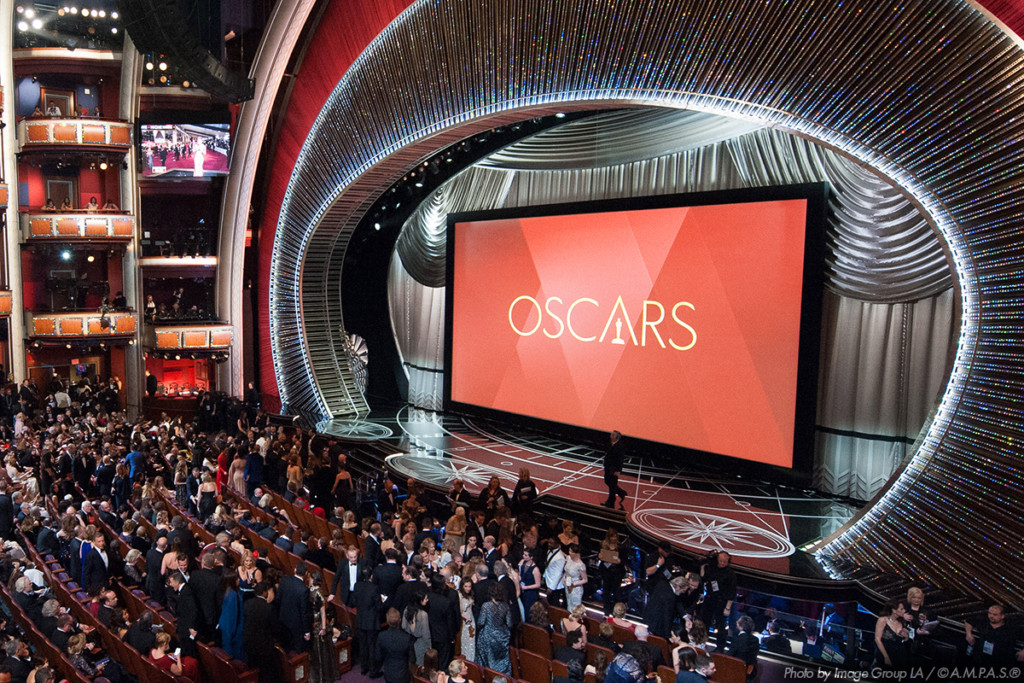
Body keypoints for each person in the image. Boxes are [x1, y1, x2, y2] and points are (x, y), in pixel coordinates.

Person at [699, 550, 736, 650]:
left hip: (721, 602)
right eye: (721, 560)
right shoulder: (712, 567)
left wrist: (727, 608)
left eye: (725, 561)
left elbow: (732, 593)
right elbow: (704, 578)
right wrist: (702, 566)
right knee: (705, 622)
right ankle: (701, 642)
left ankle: (720, 647)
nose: (722, 563)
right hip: (710, 599)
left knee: (721, 626)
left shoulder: (730, 574)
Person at [245, 581, 280, 682]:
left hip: (249, 646)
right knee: (266, 674)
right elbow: (276, 629)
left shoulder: (247, 604)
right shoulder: (269, 608)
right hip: (265, 649)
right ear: (265, 593)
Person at [309, 571, 340, 683]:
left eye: (311, 578)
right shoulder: (309, 590)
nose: (309, 579)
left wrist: (323, 628)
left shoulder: (319, 593)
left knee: (321, 652)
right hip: (312, 621)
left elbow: (322, 612)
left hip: (318, 624)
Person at [477, 583, 513, 674]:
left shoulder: (486, 606)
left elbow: (481, 622)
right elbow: (509, 624)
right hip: (502, 637)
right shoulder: (505, 606)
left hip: (488, 637)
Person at [353, 567, 384, 676]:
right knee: (372, 646)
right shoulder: (374, 588)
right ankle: (373, 670)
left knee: (363, 645)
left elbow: (353, 601)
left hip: (360, 620)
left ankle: (363, 668)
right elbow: (379, 606)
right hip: (371, 622)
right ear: (371, 576)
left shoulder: (357, 586)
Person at [279, 561, 313, 652]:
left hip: (283, 620)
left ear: (295, 570)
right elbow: (304, 612)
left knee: (286, 648)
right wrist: (307, 631)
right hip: (296, 626)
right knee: (298, 651)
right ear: (306, 573)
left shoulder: (284, 580)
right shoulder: (304, 589)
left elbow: (279, 599)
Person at [377, 608, 414, 683]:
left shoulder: (382, 636)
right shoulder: (406, 638)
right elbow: (412, 658)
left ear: (387, 621)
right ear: (400, 620)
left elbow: (378, 656)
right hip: (403, 674)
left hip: (388, 673)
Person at [874, 600, 910, 669]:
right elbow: (877, 639)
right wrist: (886, 657)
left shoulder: (902, 623)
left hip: (900, 654)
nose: (904, 611)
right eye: (901, 609)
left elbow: (904, 641)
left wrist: (906, 637)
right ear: (894, 610)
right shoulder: (883, 620)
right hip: (885, 652)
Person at [219, 573, 245, 662]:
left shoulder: (228, 592)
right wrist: (231, 636)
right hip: (234, 634)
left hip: (232, 631)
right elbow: (231, 618)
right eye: (237, 579)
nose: (239, 580)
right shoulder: (232, 595)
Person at [404, 587, 432, 665]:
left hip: (409, 641)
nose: (427, 600)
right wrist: (429, 647)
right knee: (420, 664)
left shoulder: (407, 609)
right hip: (420, 643)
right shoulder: (423, 614)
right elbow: (426, 633)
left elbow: (403, 626)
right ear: (420, 601)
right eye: (425, 599)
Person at [603, 430, 628, 508]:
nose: (611, 436)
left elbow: (620, 459)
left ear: (617, 437)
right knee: (608, 481)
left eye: (613, 435)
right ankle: (621, 492)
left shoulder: (620, 446)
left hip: (614, 468)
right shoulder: (609, 444)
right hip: (608, 467)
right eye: (611, 434)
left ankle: (610, 502)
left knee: (612, 485)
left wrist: (618, 470)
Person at [519, 546, 542, 617]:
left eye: (526, 555)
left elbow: (538, 584)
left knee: (529, 611)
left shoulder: (535, 569)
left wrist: (525, 587)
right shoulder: (522, 563)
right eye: (523, 554)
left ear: (531, 557)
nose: (523, 556)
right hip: (523, 591)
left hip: (530, 593)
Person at [563, 543, 587, 610]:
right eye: (569, 551)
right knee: (569, 604)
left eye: (571, 552)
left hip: (576, 587)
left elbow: (585, 579)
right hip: (568, 585)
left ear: (576, 553)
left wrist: (574, 584)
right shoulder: (568, 558)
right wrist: (564, 579)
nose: (569, 553)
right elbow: (565, 571)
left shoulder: (580, 564)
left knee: (575, 607)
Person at [458, 575, 476, 662]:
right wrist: (465, 618)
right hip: (464, 622)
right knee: (465, 642)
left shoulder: (471, 595)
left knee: (471, 643)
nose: (468, 588)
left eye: (469, 586)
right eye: (466, 586)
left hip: (471, 620)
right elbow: (458, 610)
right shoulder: (459, 595)